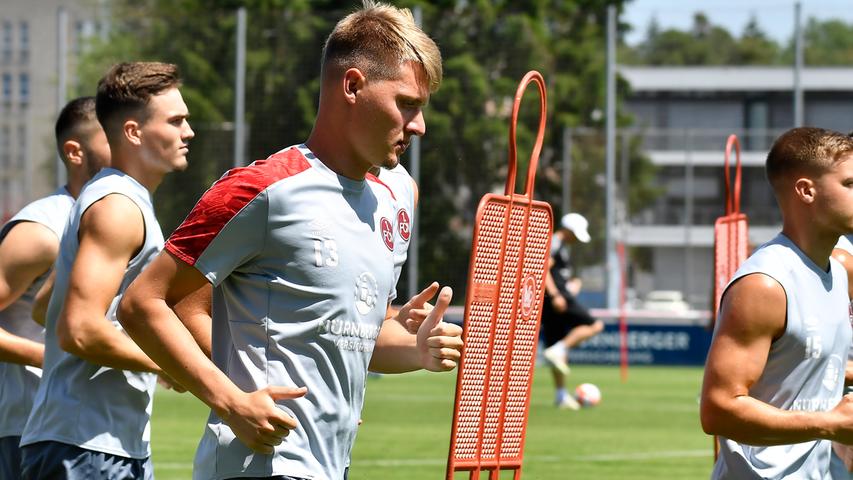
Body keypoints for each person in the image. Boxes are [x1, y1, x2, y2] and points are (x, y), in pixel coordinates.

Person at [118, 3, 463, 480]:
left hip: (333, 466)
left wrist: (416, 350)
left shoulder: (399, 195)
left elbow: (351, 334)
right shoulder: (260, 189)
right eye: (406, 103)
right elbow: (142, 302)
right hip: (259, 467)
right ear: (353, 86)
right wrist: (231, 401)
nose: (419, 125)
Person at [18, 62, 198, 480]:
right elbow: (78, 329)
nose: (188, 132)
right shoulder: (118, 206)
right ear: (134, 132)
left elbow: (47, 308)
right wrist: (166, 362)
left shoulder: (117, 199)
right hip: (87, 447)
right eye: (176, 121)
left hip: (101, 443)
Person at [700, 127, 853, 479]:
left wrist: (840, 437)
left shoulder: (838, 274)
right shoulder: (766, 284)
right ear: (806, 191)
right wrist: (829, 425)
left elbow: (817, 375)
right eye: (849, 184)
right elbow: (718, 410)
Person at [0, 96, 110, 479]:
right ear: (74, 152)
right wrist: (49, 357)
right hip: (28, 430)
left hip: (94, 431)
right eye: (109, 136)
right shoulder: (42, 229)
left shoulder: (115, 219)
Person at [540, 212, 604, 409]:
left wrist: (570, 285)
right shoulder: (555, 242)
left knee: (557, 351)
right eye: (576, 234)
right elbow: (543, 268)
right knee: (595, 325)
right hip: (557, 300)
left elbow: (556, 273)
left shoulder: (562, 247)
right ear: (568, 230)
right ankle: (558, 350)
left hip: (555, 299)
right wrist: (556, 295)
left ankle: (560, 395)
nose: (577, 239)